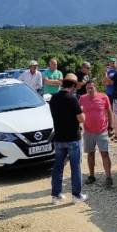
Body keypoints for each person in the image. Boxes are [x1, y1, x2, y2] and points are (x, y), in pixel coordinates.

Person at [48, 73, 88, 204]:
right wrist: (82, 112)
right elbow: (81, 119)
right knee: (75, 167)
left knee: (58, 167)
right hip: (73, 138)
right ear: (72, 86)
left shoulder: (53, 98)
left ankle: (56, 195)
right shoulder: (72, 99)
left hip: (59, 137)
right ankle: (76, 195)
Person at [79, 80, 115, 187]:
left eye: (91, 88)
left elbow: (109, 112)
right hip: (88, 131)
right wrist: (79, 126)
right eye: (87, 88)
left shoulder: (104, 97)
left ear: (96, 88)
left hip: (102, 130)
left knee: (105, 153)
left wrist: (111, 127)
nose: (89, 90)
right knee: (90, 154)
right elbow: (79, 113)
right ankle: (91, 176)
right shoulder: (82, 98)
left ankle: (108, 177)